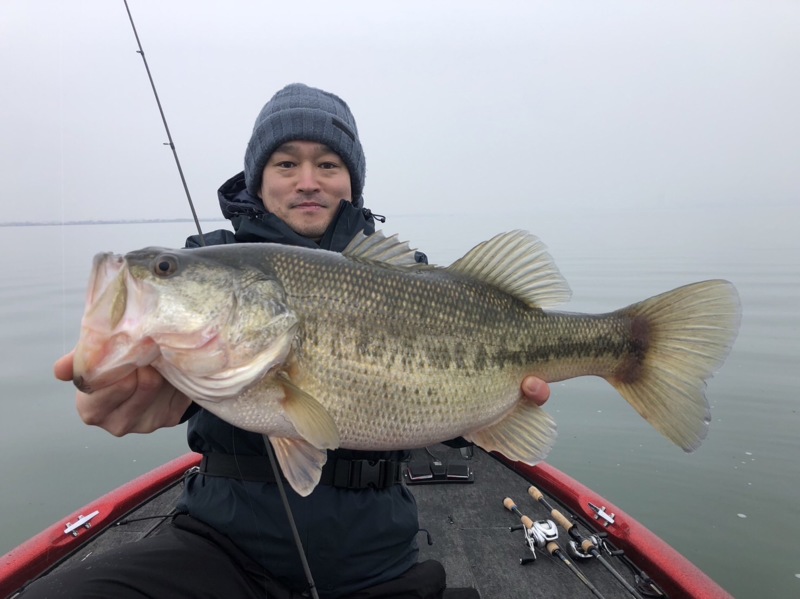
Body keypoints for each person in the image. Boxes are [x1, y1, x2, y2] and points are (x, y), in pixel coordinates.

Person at [33, 83, 551, 599]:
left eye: (328, 165)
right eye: (285, 164)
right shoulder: (210, 255)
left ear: (353, 181)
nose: (308, 181)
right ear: (258, 182)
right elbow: (146, 379)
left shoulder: (412, 280)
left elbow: (441, 408)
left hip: (378, 556)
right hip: (220, 543)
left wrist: (494, 412)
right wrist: (118, 391)